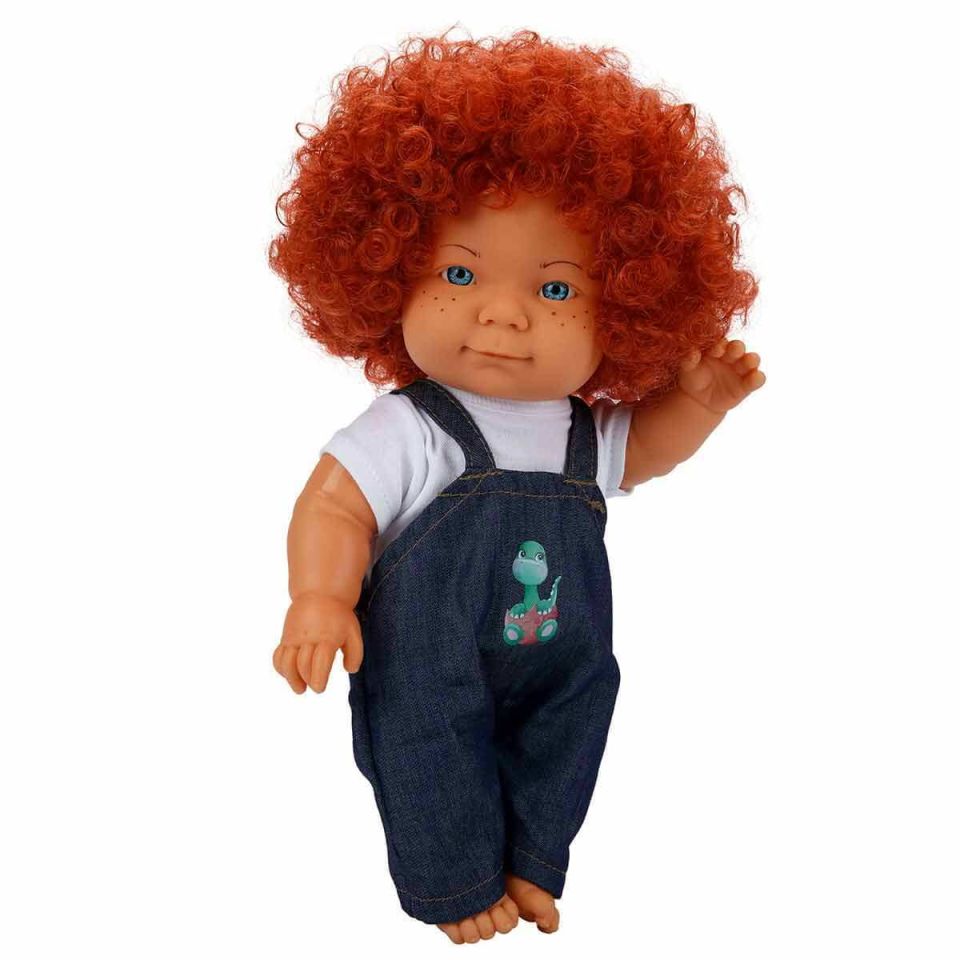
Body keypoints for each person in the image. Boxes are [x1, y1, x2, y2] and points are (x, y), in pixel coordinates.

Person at [269, 28, 764, 944]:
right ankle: (457, 881)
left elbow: (645, 451)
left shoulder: (581, 429)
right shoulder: (412, 428)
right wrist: (320, 596)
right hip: (432, 657)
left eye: (557, 290)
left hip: (559, 649)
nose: (502, 313)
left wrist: (698, 403)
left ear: (625, 308)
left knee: (576, 715)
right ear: (387, 274)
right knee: (427, 740)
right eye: (459, 274)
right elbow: (335, 503)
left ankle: (534, 858)